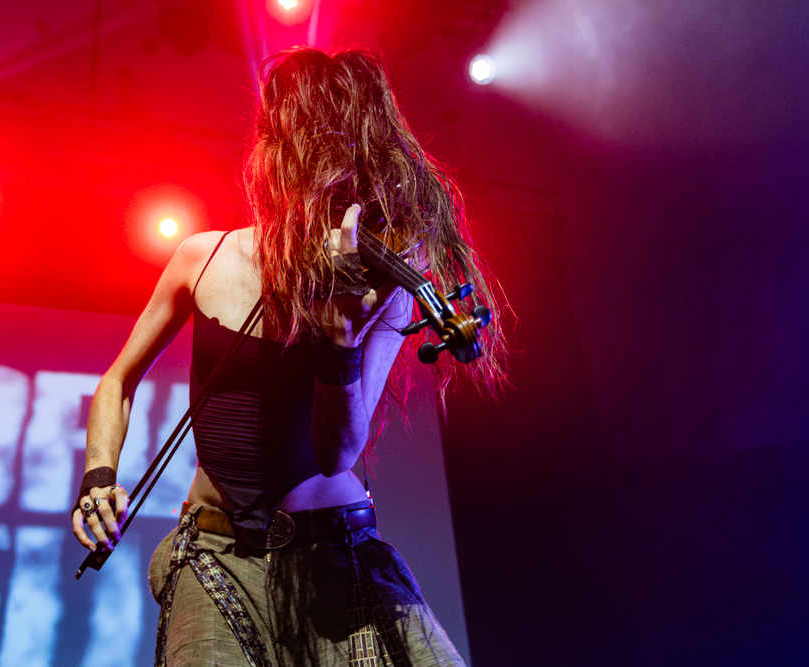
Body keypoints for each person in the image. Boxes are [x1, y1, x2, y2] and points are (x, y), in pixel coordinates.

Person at [71, 47, 505, 667]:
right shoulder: (202, 256)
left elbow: (337, 453)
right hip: (214, 554)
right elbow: (118, 380)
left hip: (335, 549)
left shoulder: (380, 287)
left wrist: (340, 344)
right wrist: (99, 477)